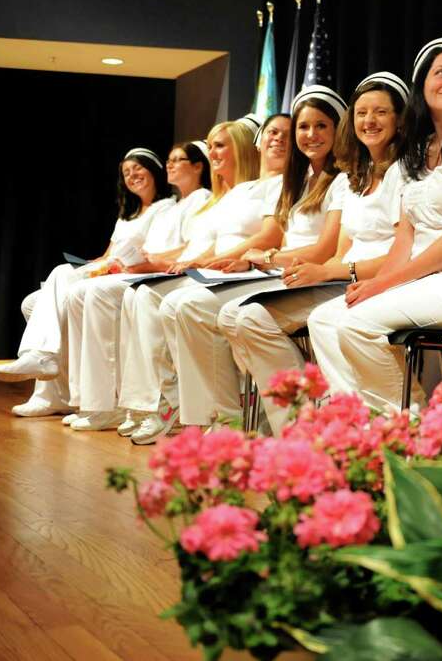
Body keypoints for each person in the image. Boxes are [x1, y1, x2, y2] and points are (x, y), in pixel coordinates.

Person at [308, 38, 442, 411]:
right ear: (422, 84)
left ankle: (410, 430)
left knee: (357, 325)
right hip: (430, 281)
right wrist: (373, 284)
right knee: (324, 319)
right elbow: (404, 239)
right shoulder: (411, 157)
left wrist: (383, 285)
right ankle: (360, 426)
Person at [219, 73, 411, 431]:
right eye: (362, 113)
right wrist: (312, 273)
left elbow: (400, 256)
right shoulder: (358, 177)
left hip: (378, 282)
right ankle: (301, 424)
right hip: (344, 277)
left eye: (380, 112)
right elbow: (341, 250)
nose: (369, 121)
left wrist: (322, 271)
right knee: (239, 316)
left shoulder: (403, 174)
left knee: (252, 316)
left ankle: (316, 423)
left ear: (399, 119)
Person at [165, 87, 348, 431]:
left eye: (321, 126)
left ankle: (293, 423)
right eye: (304, 127)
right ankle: (224, 419)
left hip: (312, 275)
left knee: (223, 313)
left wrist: (266, 257)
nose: (311, 135)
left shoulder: (342, 180)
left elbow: (323, 250)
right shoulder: (299, 180)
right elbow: (279, 240)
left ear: (339, 129)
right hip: (280, 271)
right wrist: (255, 260)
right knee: (194, 307)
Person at [118, 120, 274, 442]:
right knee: (143, 295)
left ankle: (209, 412)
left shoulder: (264, 187)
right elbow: (208, 244)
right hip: (215, 268)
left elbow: (269, 235)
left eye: (220, 145)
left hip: (246, 271)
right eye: (211, 145)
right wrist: (190, 260)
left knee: (173, 302)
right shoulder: (223, 197)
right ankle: (174, 403)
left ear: (243, 147)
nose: (212, 152)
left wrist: (202, 260)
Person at [0, 148, 174, 418]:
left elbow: (152, 253)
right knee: (33, 302)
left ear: (154, 170)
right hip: (110, 270)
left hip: (133, 275)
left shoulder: (166, 208)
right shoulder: (128, 215)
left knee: (59, 277)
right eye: (126, 172)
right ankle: (51, 389)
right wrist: (90, 266)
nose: (132, 176)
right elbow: (107, 255)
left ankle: (44, 361)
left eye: (137, 169)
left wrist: (108, 267)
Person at [61, 141, 212, 431]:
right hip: (146, 270)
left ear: (198, 166)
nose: (170, 164)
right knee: (76, 288)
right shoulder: (175, 206)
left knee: (95, 292)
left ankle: (120, 404)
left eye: (178, 160)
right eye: (169, 159)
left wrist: (149, 260)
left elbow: (189, 249)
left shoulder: (200, 198)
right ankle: (103, 402)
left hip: (169, 274)